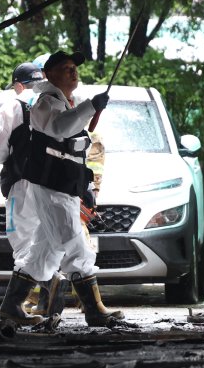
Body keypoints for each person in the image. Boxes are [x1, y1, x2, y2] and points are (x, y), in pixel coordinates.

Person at [14, 50, 124, 327]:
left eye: (74, 67)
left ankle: (11, 306)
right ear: (49, 74)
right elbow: (61, 129)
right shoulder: (44, 103)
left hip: (63, 184)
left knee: (45, 251)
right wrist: (90, 107)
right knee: (77, 245)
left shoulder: (63, 101)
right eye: (66, 68)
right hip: (52, 186)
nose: (73, 72)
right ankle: (94, 310)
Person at [0, 62, 68, 324]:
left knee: (22, 244)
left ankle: (44, 287)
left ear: (18, 85)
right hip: (53, 186)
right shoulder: (56, 100)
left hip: (22, 184)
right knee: (44, 242)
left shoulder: (13, 104)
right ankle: (47, 301)